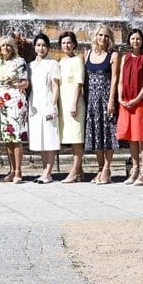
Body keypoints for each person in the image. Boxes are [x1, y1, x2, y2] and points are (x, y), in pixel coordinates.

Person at [117, 29, 143, 186]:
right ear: (129, 41)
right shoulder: (125, 58)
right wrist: (120, 98)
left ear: (142, 41)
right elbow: (120, 80)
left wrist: (136, 99)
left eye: (138, 39)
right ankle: (134, 169)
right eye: (133, 39)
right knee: (132, 138)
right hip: (127, 103)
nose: (135, 41)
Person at [84, 25, 119, 184]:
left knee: (108, 134)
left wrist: (111, 100)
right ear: (95, 36)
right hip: (92, 100)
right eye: (100, 35)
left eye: (106, 36)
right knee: (95, 134)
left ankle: (107, 168)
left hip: (105, 98)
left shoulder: (113, 55)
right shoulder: (87, 54)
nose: (103, 38)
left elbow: (115, 79)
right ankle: (99, 168)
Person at [0, 35, 29, 184]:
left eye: (8, 45)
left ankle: (19, 172)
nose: (5, 48)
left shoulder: (19, 62)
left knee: (16, 138)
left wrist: (14, 84)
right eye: (3, 46)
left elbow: (26, 83)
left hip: (16, 100)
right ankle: (12, 170)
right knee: (8, 138)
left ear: (12, 47)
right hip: (3, 102)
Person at [28, 33, 60, 184]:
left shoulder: (52, 64)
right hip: (34, 103)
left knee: (50, 137)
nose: (41, 48)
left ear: (47, 48)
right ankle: (44, 170)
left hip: (47, 102)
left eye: (44, 45)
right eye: (38, 45)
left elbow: (55, 86)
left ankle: (48, 172)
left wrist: (53, 106)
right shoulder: (31, 65)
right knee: (40, 138)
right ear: (34, 47)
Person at [58, 31, 86, 183]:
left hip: (74, 103)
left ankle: (74, 171)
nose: (66, 45)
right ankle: (80, 171)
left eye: (69, 43)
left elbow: (78, 83)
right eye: (63, 43)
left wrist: (74, 103)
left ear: (74, 44)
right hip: (63, 102)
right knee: (70, 137)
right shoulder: (60, 62)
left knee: (76, 138)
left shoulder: (77, 60)